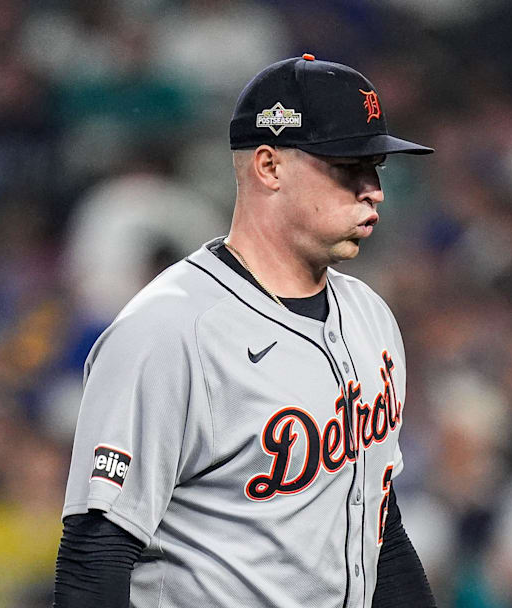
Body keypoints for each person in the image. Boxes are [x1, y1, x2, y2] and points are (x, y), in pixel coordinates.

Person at [52, 54, 437, 608]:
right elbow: (94, 562)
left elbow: (379, 527)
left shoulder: (370, 315)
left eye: (376, 167)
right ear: (269, 166)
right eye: (348, 165)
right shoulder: (167, 330)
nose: (373, 189)